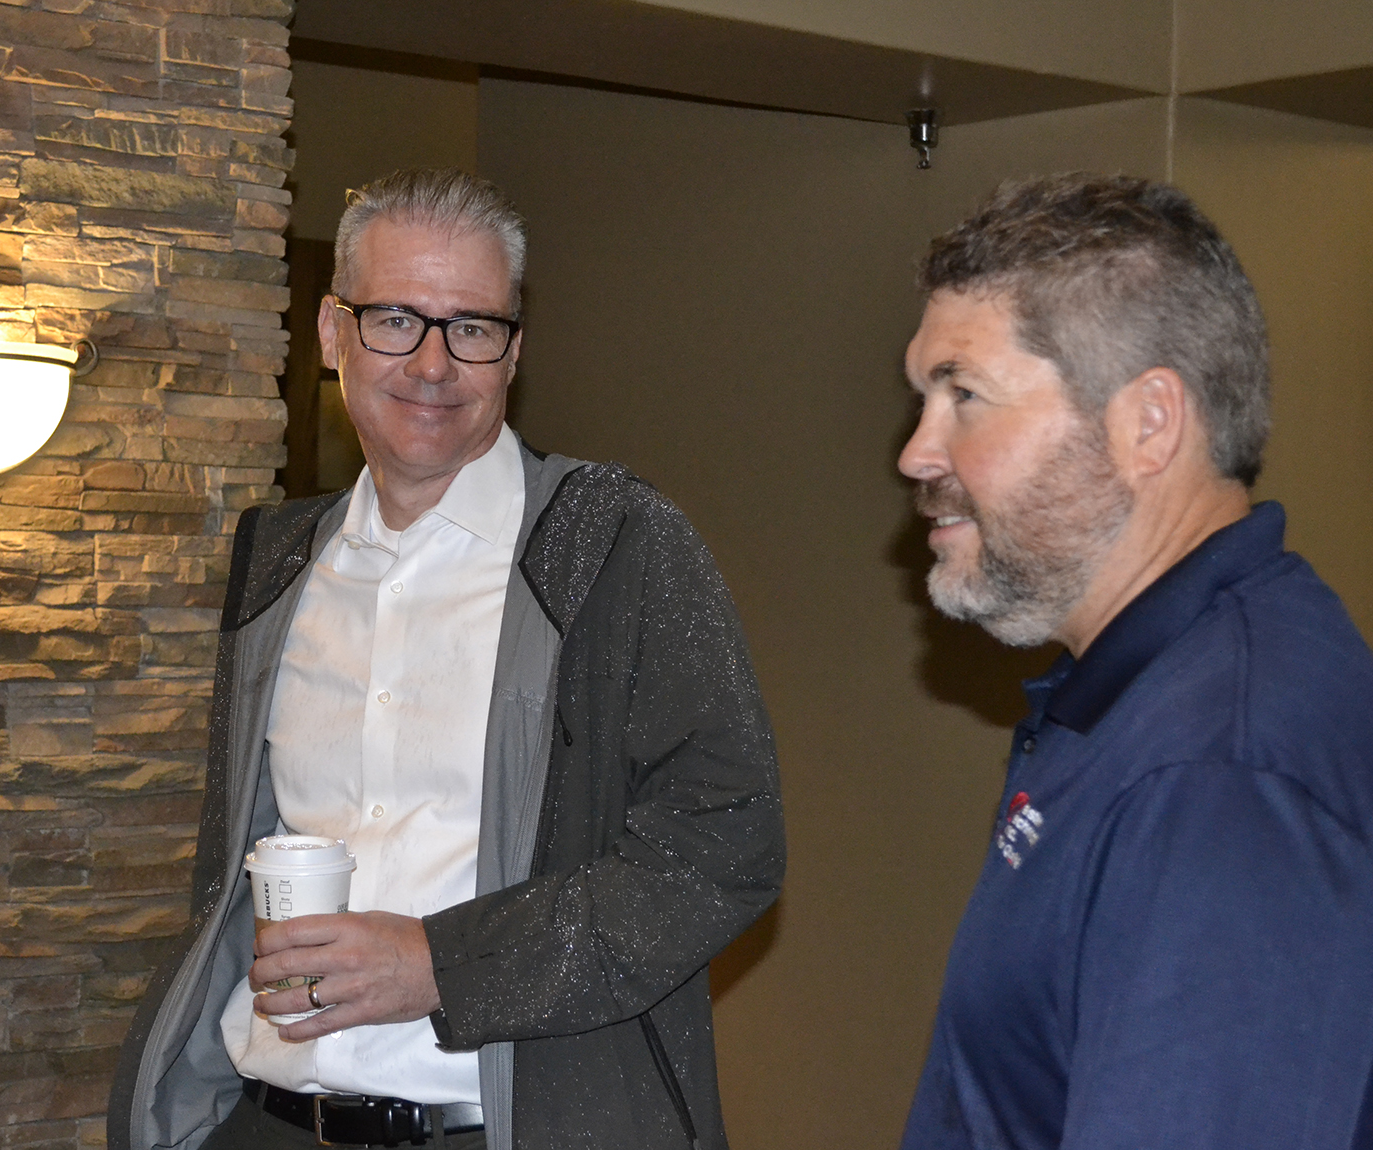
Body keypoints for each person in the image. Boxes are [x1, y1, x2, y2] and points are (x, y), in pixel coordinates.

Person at [108, 168, 784, 1150]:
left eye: (471, 327)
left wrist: (442, 965)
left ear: (514, 351)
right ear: (332, 332)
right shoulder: (277, 562)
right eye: (394, 320)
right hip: (268, 1120)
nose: (432, 364)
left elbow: (728, 844)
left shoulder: (615, 547)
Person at [895, 171, 1373, 1150]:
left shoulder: (1220, 772)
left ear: (1147, 424)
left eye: (964, 395)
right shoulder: (1141, 692)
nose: (917, 453)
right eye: (923, 399)